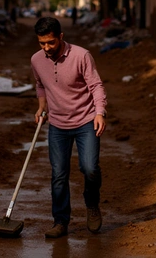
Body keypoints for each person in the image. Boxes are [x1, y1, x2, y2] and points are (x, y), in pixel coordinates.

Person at [31, 17, 107, 238]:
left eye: (51, 43)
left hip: (86, 121)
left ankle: (92, 204)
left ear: (61, 37)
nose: (46, 48)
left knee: (90, 168)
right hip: (57, 125)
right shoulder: (36, 59)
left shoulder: (81, 55)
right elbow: (40, 85)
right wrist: (41, 107)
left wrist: (100, 113)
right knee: (58, 175)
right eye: (42, 43)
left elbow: (96, 86)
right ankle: (60, 221)